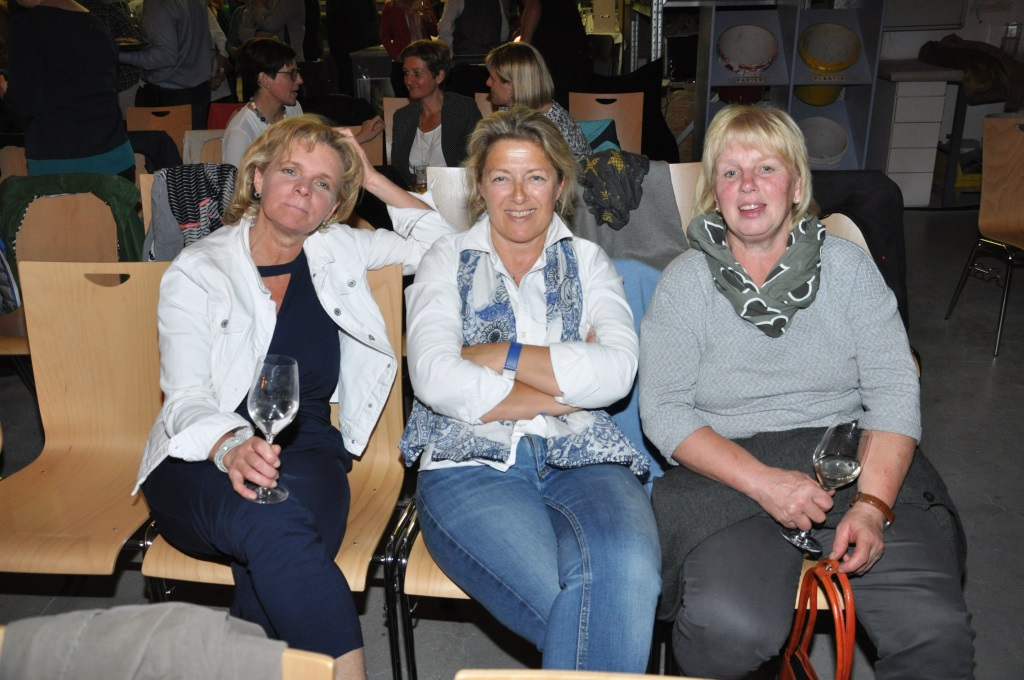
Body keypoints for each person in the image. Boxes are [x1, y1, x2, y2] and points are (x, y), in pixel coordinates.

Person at [638, 105, 974, 680]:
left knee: (935, 633)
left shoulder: (849, 271)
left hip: (852, 460)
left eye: (766, 168)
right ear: (714, 192)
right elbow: (665, 411)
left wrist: (872, 507)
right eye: (731, 171)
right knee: (728, 630)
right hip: (730, 473)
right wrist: (764, 482)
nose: (748, 185)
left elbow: (894, 387)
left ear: (797, 187)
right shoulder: (685, 284)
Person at [135, 114, 453, 680]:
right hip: (199, 453)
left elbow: (445, 245)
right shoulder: (199, 269)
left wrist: (371, 178)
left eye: (323, 183)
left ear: (333, 207)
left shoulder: (340, 249)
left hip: (306, 451)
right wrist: (231, 446)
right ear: (257, 178)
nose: (304, 189)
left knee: (277, 543)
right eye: (290, 171)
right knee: (278, 530)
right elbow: (183, 399)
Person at [399, 105, 661, 672]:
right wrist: (563, 386)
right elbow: (434, 376)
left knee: (631, 573)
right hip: (468, 462)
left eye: (535, 177)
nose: (518, 196)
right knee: (592, 609)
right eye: (501, 177)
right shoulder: (445, 259)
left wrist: (504, 354)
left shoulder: (590, 262)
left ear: (560, 185)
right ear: (480, 186)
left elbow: (618, 373)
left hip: (586, 454)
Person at [3, 0, 135, 178]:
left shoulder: (26, 25)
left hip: (61, 167)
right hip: (117, 158)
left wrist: (4, 90)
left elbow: (24, 106)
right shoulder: (96, 23)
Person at [223, 38, 382, 169]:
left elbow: (312, 152)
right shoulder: (240, 132)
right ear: (264, 79)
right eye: (291, 74)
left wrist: (359, 138)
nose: (299, 80)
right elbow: (234, 193)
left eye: (297, 72)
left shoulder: (292, 109)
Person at [390, 39, 481, 187]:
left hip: (455, 192)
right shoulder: (402, 117)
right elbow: (398, 172)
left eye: (417, 74)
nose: (408, 80)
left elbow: (477, 161)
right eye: (406, 73)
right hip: (412, 195)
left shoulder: (463, 109)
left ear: (439, 76)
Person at [485, 41, 590, 161]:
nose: (488, 82)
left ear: (513, 86)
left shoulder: (549, 128)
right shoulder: (508, 109)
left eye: (492, 78)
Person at [119, 0, 213, 131]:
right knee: (192, 143)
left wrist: (118, 55)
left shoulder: (158, 3)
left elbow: (165, 57)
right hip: (198, 90)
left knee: (160, 143)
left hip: (169, 95)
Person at [519, 0, 590, 107]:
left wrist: (522, 48)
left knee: (553, 97)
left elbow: (533, 6)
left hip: (552, 45)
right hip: (569, 41)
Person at [438, 0, 509, 58]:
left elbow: (444, 28)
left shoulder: (455, 1)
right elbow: (504, 34)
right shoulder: (497, 1)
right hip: (490, 59)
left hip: (463, 59)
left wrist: (449, 54)